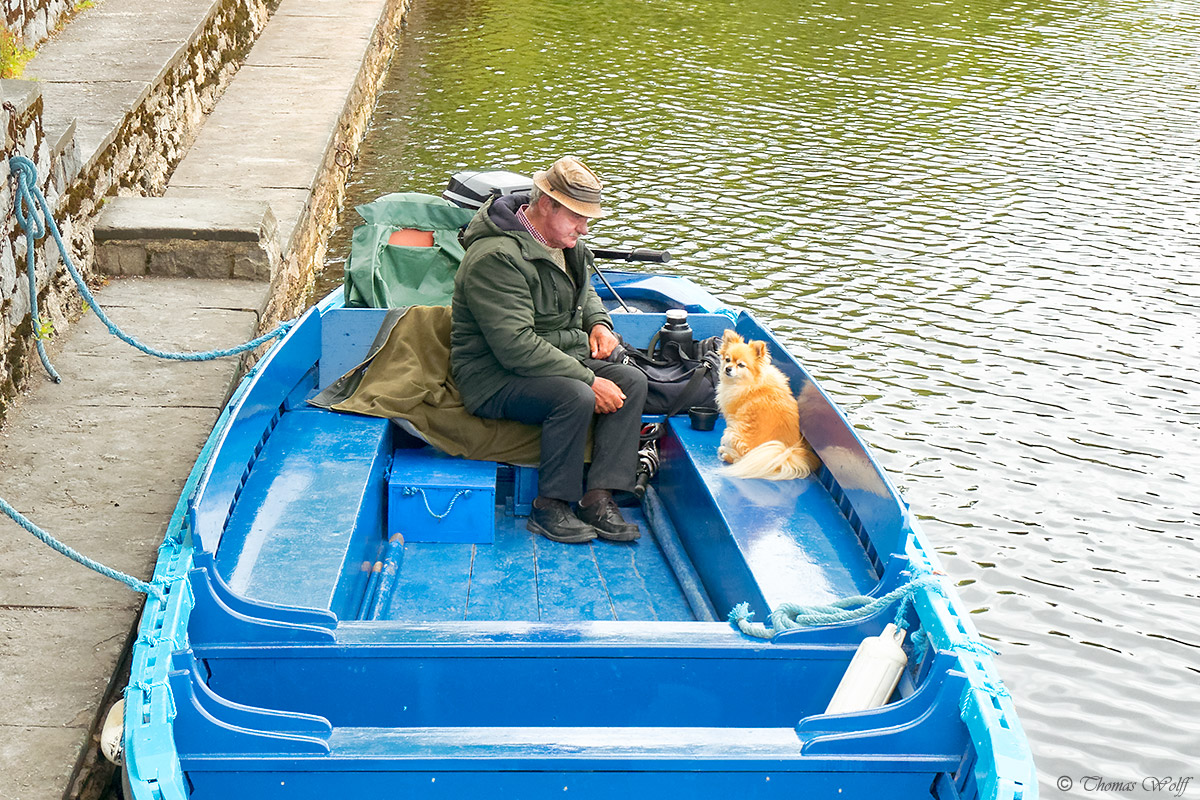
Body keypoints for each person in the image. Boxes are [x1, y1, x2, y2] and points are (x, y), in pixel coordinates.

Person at [450, 156, 647, 544]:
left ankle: (597, 496)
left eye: (588, 218)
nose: (584, 227)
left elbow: (584, 289)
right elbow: (516, 347)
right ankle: (550, 505)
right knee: (574, 394)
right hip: (493, 377)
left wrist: (599, 323)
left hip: (555, 357)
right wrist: (590, 378)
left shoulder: (565, 243)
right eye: (577, 216)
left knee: (632, 381)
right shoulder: (496, 257)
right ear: (547, 204)